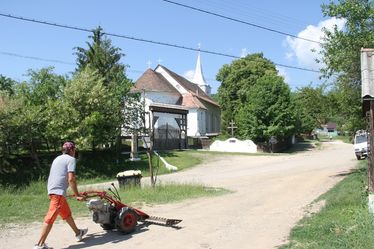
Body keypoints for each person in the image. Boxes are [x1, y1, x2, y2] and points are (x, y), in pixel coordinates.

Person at [33, 141, 88, 249]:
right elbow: (71, 179)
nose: (74, 152)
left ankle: (78, 233)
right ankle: (39, 245)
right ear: (72, 150)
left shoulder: (57, 158)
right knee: (50, 218)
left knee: (67, 214)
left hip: (53, 191)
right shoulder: (71, 159)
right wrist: (77, 194)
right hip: (58, 193)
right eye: (74, 150)